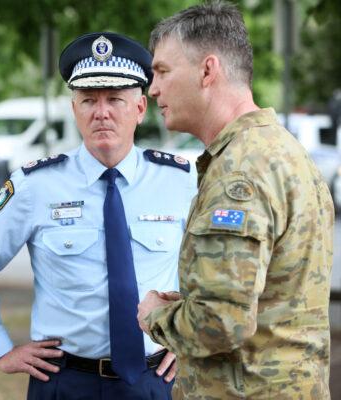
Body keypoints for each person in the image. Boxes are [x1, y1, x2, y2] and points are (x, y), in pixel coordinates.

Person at [0, 32, 197, 400]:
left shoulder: (181, 180)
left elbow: (213, 269)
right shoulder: (36, 185)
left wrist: (191, 335)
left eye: (115, 99)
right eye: (88, 100)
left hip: (155, 379)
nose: (102, 112)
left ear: (141, 108)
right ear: (73, 108)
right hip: (66, 382)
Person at [136, 2, 334, 399]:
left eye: (162, 72)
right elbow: (268, 295)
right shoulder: (283, 151)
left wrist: (155, 316)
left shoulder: (238, 173)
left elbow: (222, 322)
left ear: (208, 71)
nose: (152, 89)